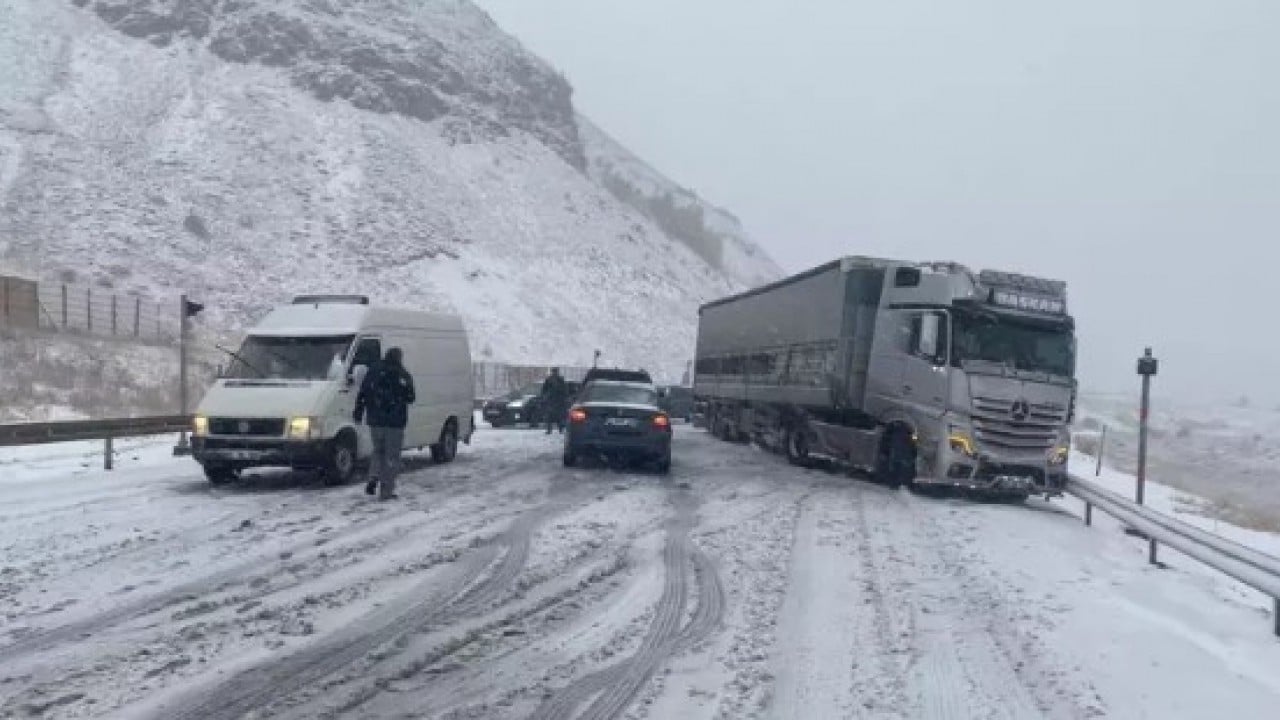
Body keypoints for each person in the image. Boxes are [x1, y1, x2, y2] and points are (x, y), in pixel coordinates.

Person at [354, 347, 416, 500]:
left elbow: (363, 392)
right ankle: (386, 491)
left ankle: (373, 476)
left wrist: (359, 410)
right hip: (394, 422)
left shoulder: (374, 371)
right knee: (391, 457)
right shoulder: (402, 374)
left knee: (378, 451)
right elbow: (411, 397)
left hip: (375, 420)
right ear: (399, 358)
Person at [540, 367, 569, 434]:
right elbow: (544, 390)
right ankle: (549, 429)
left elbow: (565, 390)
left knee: (559, 416)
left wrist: (564, 397)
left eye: (555, 372)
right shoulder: (549, 380)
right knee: (549, 416)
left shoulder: (560, 380)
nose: (554, 373)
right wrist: (545, 396)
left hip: (559, 401)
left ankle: (560, 429)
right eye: (553, 372)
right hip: (551, 400)